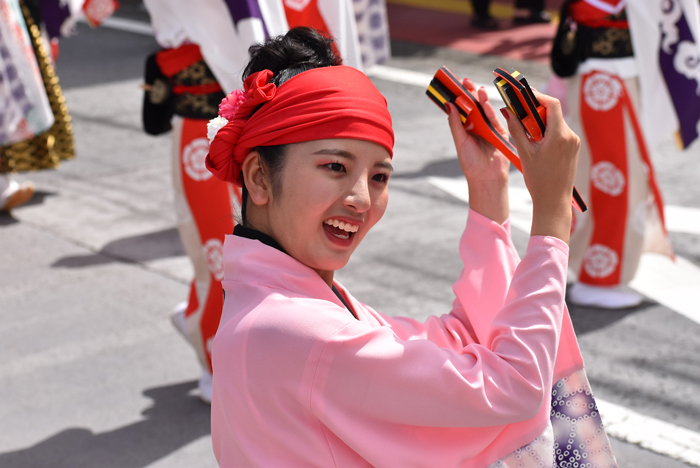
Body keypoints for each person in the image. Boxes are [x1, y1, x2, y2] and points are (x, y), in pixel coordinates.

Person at [205, 27, 618, 467]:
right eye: (335, 166)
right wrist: (552, 217)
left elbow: (458, 343)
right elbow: (511, 388)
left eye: (379, 176)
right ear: (258, 177)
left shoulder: (282, 306)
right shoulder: (291, 327)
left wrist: (487, 187)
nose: (362, 198)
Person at [142, 0, 390, 404]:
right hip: (220, 118)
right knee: (221, 250)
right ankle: (215, 353)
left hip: (316, 128)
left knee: (288, 255)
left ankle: (211, 333)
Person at [556, 0, 684, 309]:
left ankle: (599, 271)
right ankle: (595, 276)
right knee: (612, 183)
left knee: (616, 180)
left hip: (613, 82)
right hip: (603, 86)